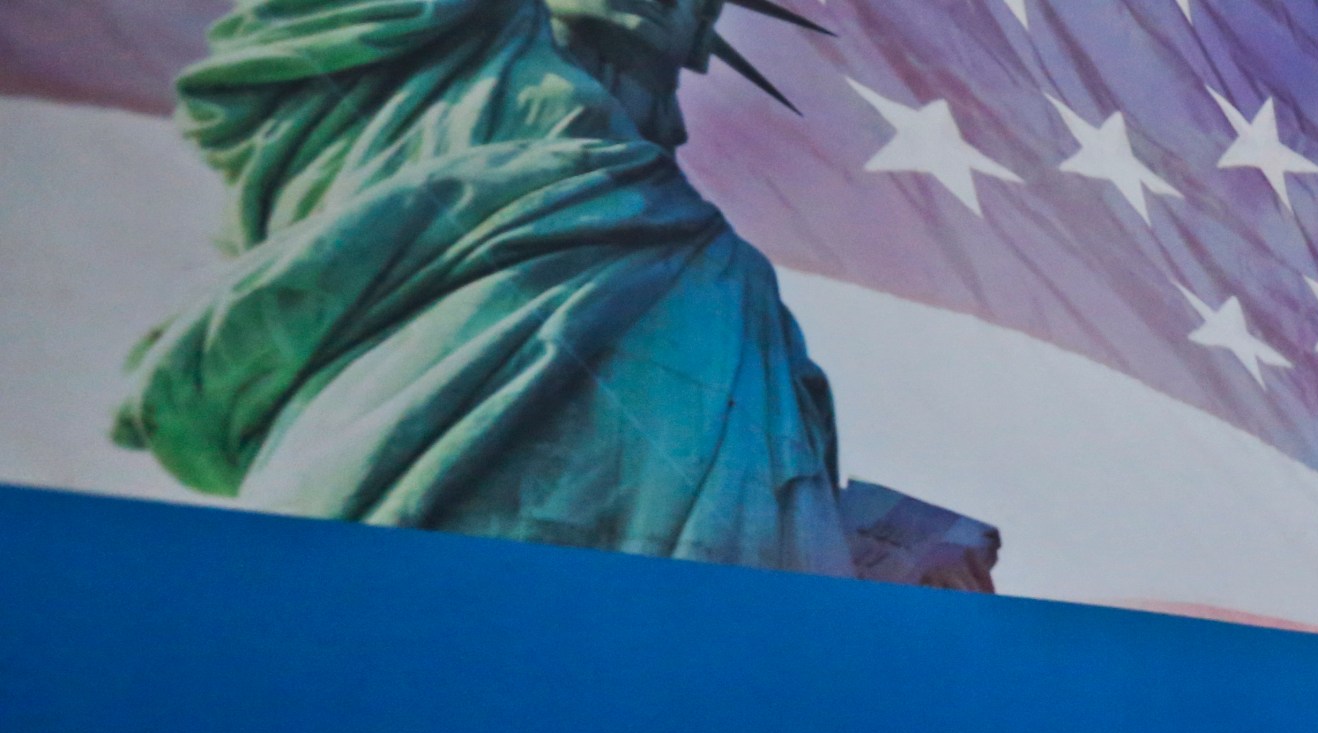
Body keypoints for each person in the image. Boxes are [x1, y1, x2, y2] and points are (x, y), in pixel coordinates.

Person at [113, 0, 998, 590]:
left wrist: (887, 556)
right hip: (405, 570)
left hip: (676, 706)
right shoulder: (450, 83)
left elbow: (757, 532)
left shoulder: (721, 270)